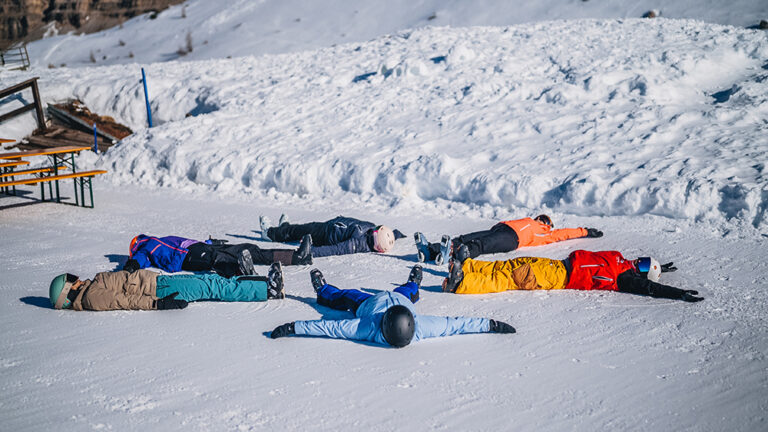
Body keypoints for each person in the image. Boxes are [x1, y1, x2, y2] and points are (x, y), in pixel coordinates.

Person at [269, 265, 517, 347]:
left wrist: (293, 327)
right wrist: (491, 324)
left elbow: (331, 328)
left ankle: (324, 290)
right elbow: (456, 325)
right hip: (399, 299)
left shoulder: (366, 326)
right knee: (408, 291)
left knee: (344, 296)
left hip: (368, 303)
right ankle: (413, 284)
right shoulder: (424, 327)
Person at [442, 245, 704, 302]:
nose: (639, 263)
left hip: (559, 277)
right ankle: (466, 267)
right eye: (644, 260)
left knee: (512, 277)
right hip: (557, 265)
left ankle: (461, 284)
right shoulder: (622, 261)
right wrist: (662, 268)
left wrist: (677, 292)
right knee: (511, 264)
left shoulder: (624, 278)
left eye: (644, 267)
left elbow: (650, 288)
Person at [48, 263, 285, 311]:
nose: (78, 278)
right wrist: (158, 304)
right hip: (157, 291)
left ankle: (263, 284)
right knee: (213, 286)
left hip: (157, 282)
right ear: (68, 292)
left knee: (210, 280)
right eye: (72, 280)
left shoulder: (92, 287)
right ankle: (268, 290)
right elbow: (124, 301)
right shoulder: (91, 298)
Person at [414, 214, 603, 265]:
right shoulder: (527, 220)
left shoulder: (546, 233)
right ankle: (431, 250)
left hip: (512, 239)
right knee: (463, 238)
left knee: (479, 245)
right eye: (542, 217)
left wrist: (584, 231)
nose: (542, 220)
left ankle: (453, 258)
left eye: (546, 220)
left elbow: (564, 234)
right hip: (501, 229)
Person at [124, 233, 312, 278]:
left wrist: (211, 243)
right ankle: (249, 276)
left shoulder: (158, 240)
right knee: (217, 261)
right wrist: (132, 264)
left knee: (249, 249)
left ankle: (297, 257)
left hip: (197, 248)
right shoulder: (145, 248)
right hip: (187, 258)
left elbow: (186, 242)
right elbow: (141, 259)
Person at [260, 214, 406, 257]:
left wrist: (311, 251)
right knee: (299, 229)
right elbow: (389, 236)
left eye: (376, 230)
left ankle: (269, 234)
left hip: (324, 234)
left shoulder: (356, 244)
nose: (374, 228)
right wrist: (397, 234)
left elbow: (335, 250)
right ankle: (284, 228)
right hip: (330, 225)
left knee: (297, 231)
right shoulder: (376, 235)